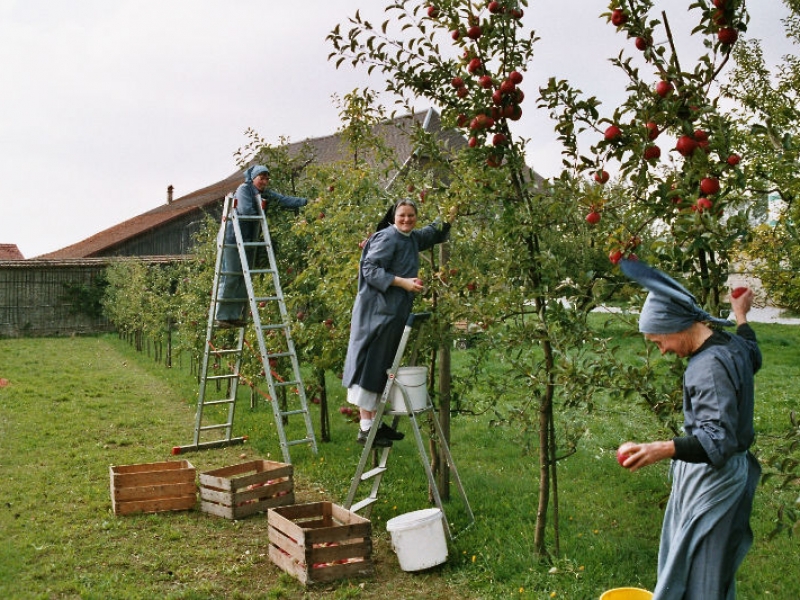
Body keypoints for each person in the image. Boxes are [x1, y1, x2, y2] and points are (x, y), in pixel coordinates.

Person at [618, 258, 762, 600]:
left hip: (714, 479)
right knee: (706, 568)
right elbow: (753, 354)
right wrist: (741, 315)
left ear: (676, 326)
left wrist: (662, 448)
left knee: (699, 572)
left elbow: (718, 440)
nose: (663, 350)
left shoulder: (706, 367)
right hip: (730, 474)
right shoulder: (731, 345)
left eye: (659, 342)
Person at [342, 198, 455, 447]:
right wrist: (402, 282)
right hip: (376, 313)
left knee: (382, 364)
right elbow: (370, 269)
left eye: (411, 216)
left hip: (391, 313)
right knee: (371, 362)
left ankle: (373, 424)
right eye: (402, 215)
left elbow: (430, 233)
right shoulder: (387, 238)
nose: (406, 220)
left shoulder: (410, 238)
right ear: (394, 216)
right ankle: (365, 427)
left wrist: (451, 211)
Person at [215, 164, 309, 328]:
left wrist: (306, 202)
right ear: (253, 178)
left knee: (244, 278)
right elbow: (245, 211)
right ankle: (222, 315)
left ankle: (233, 315)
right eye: (261, 178)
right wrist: (262, 211)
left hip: (248, 241)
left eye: (266, 178)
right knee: (230, 276)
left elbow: (284, 200)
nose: (264, 181)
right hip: (231, 239)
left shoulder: (263, 193)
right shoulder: (244, 189)